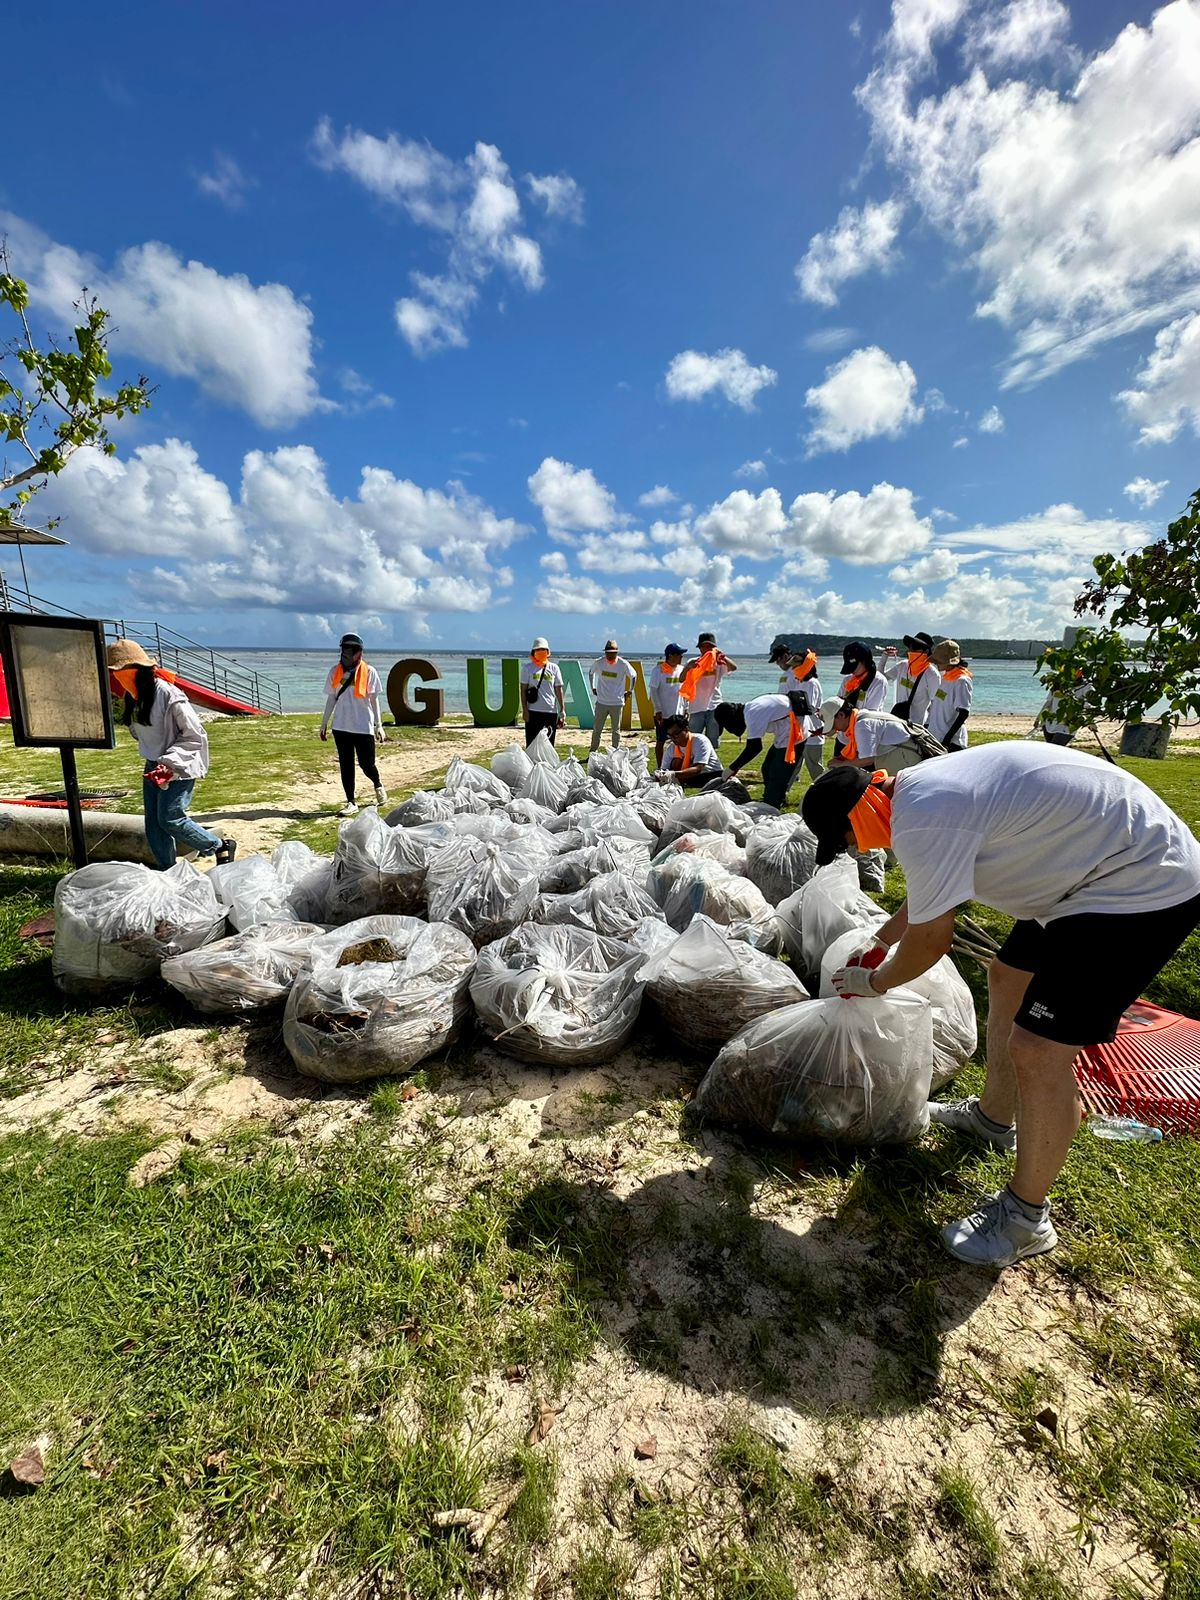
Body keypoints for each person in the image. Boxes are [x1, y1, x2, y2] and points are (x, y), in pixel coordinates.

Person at [801, 746, 1200, 1268]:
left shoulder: (924, 816)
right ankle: (994, 1120)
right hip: (1081, 873)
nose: (855, 850)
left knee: (1038, 1050)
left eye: (847, 839)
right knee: (1007, 975)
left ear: (861, 813)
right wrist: (880, 939)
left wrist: (874, 981)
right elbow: (932, 892)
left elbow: (931, 941)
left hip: (1138, 884)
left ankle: (1025, 1218)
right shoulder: (916, 797)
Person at [106, 639, 236, 870]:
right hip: (154, 764)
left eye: (121, 670)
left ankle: (219, 845)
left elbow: (195, 735)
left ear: (138, 669)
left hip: (179, 764)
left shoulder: (167, 693)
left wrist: (170, 763)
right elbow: (141, 732)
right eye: (114, 672)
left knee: (170, 817)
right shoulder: (132, 696)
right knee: (154, 825)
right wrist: (156, 760)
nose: (118, 676)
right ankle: (167, 869)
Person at [319, 632, 387, 818]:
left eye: (350, 651)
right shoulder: (335, 672)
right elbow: (332, 698)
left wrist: (378, 725)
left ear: (359, 652)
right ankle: (351, 801)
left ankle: (378, 784)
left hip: (363, 726)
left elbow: (374, 700)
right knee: (346, 765)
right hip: (341, 726)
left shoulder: (369, 672)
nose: (346, 654)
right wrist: (324, 723)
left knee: (367, 764)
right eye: (344, 650)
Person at [714, 695, 813, 809]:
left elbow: (754, 748)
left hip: (795, 734)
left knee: (778, 772)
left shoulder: (752, 714)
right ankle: (773, 798)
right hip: (785, 733)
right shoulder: (751, 708)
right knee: (767, 767)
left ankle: (772, 806)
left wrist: (732, 768)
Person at [822, 699, 942, 775]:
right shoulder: (861, 717)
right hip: (898, 753)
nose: (835, 728)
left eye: (833, 723)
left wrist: (841, 766)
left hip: (903, 756)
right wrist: (843, 761)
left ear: (841, 715)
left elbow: (867, 759)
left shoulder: (862, 725)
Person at [771, 643, 825, 782]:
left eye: (796, 666)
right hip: (800, 731)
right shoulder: (800, 681)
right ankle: (783, 794)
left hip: (813, 730)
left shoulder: (812, 683)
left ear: (805, 666)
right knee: (793, 766)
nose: (793, 669)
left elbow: (809, 707)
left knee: (814, 766)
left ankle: (824, 790)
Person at [680, 631, 738, 742]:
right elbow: (681, 679)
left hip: (714, 706)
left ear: (714, 648)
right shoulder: (693, 662)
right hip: (696, 707)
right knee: (692, 739)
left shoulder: (718, 663)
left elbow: (734, 667)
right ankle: (693, 758)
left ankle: (711, 759)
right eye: (703, 646)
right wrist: (688, 667)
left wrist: (723, 657)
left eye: (709, 646)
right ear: (699, 648)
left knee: (712, 740)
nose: (706, 649)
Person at [588, 638, 636, 753]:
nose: (610, 656)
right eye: (608, 653)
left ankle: (615, 752)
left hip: (617, 702)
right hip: (601, 702)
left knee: (616, 730)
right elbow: (591, 673)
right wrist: (592, 687)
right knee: (597, 730)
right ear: (605, 653)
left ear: (617, 653)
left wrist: (630, 691)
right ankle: (593, 751)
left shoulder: (623, 664)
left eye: (613, 654)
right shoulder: (599, 662)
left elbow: (634, 676)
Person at [882, 630, 939, 725]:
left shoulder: (932, 675)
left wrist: (928, 724)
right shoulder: (902, 666)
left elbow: (935, 704)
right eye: (910, 646)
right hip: (898, 721)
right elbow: (881, 678)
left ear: (926, 651)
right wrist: (885, 656)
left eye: (916, 647)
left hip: (917, 725)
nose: (911, 650)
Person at [653, 713, 725, 787]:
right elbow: (664, 769)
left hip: (711, 774)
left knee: (676, 770)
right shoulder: (671, 747)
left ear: (686, 729)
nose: (673, 738)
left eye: (676, 734)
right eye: (670, 735)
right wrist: (661, 775)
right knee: (675, 762)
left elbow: (698, 768)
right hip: (690, 776)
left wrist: (673, 774)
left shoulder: (700, 741)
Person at [520, 636, 566, 748]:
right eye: (538, 650)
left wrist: (563, 710)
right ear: (533, 652)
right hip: (533, 711)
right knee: (532, 744)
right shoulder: (527, 668)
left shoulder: (554, 668)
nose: (541, 652)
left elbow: (558, 690)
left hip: (550, 712)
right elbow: (523, 690)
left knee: (548, 744)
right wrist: (525, 710)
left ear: (548, 652)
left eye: (543, 650)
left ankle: (547, 766)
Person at [928, 639, 972, 751]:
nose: (936, 663)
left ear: (950, 662)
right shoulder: (946, 677)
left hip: (951, 742)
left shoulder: (961, 681)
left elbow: (963, 713)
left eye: (939, 661)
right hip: (936, 738)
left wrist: (947, 739)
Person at [649, 643, 686, 768]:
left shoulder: (681, 669)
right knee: (661, 741)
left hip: (678, 714)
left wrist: (686, 708)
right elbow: (653, 691)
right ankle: (660, 767)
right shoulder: (658, 670)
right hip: (663, 715)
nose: (681, 657)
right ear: (671, 655)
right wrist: (658, 709)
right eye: (679, 654)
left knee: (680, 741)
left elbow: (685, 690)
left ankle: (679, 765)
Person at [839, 641, 887, 711]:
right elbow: (838, 703)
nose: (852, 671)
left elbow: (870, 714)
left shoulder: (878, 682)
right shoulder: (847, 680)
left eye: (854, 666)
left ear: (865, 661)